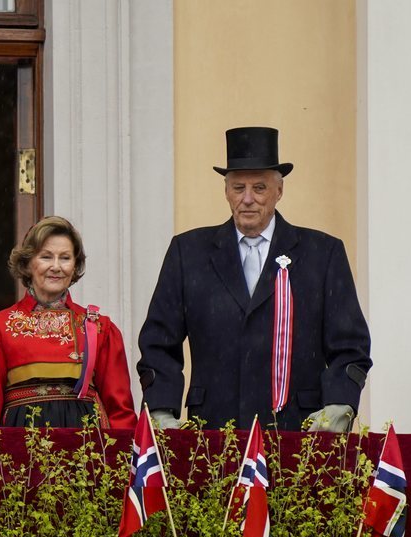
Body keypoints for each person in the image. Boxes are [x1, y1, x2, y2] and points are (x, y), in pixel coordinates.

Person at [137, 126, 372, 433]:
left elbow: (350, 346)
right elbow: (158, 342)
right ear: (225, 191)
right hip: (213, 430)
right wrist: (161, 410)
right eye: (238, 188)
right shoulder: (188, 252)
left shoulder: (323, 253)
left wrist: (339, 405)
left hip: (297, 431)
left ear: (279, 191)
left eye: (259, 188)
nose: (247, 199)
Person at [0, 216, 137, 429]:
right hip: (19, 452)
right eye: (46, 257)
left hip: (89, 452)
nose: (56, 267)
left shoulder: (101, 329)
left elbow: (121, 413)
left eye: (65, 258)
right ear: (27, 264)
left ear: (75, 267)